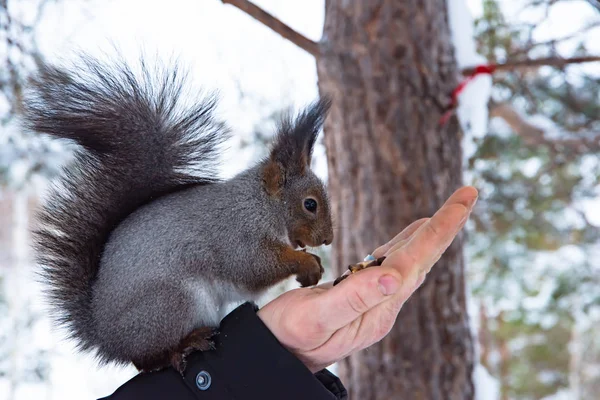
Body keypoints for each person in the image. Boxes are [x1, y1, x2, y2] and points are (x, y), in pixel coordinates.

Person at [100, 186, 478, 399]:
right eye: (310, 209)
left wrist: (269, 352)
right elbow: (244, 269)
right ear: (275, 184)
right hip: (148, 306)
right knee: (187, 288)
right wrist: (298, 264)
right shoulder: (246, 216)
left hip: (172, 325)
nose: (325, 235)